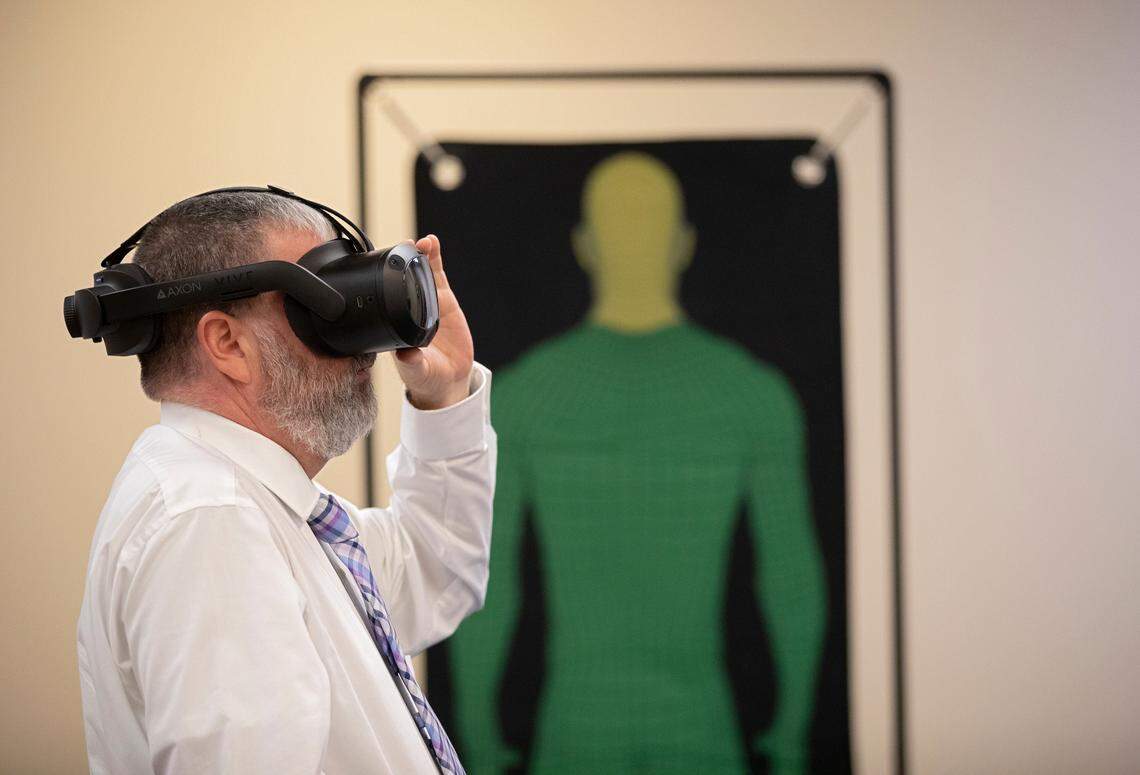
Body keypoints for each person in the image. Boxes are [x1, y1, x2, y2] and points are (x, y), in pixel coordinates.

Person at [75, 190, 496, 774]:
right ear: (228, 344)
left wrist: (444, 394)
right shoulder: (211, 522)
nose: (364, 345)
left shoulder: (257, 506)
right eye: (319, 304)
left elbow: (434, 569)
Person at [447, 152, 826, 774]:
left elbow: (486, 579)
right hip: (700, 729)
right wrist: (791, 736)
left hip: (577, 732)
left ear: (586, 245)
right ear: (683, 244)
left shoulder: (529, 396)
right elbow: (791, 579)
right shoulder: (749, 394)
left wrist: (479, 741)